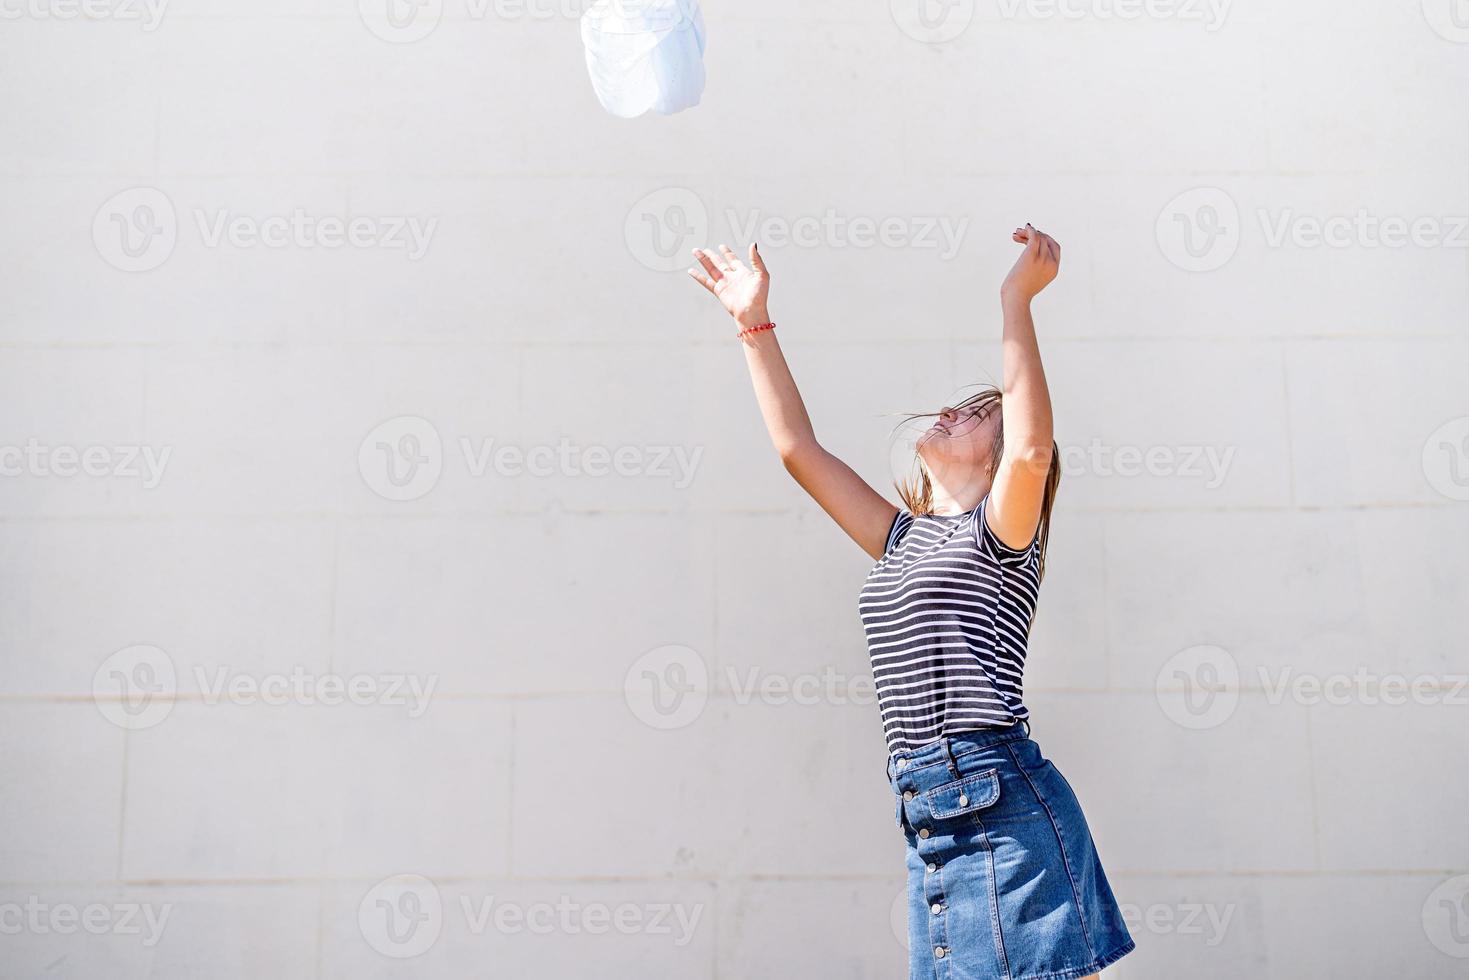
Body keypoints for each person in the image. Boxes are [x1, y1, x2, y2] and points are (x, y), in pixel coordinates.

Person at [687, 226, 1135, 979]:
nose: (953, 413)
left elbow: (1031, 448)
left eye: (977, 414)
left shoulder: (1000, 532)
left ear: (995, 458)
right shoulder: (899, 539)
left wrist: (1014, 301)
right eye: (958, 405)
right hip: (928, 821)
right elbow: (798, 450)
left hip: (998, 808)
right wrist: (751, 323)